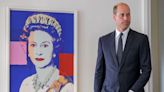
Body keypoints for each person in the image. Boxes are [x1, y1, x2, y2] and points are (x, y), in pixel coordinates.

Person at [94, 2, 152, 92]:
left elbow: (146, 70)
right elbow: (99, 71)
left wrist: (133, 90)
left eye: (128, 15)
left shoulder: (141, 39)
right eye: (122, 15)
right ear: (114, 17)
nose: (126, 18)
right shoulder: (103, 41)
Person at [19, 13, 73, 92]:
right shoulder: (26, 84)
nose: (38, 52)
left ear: (55, 48)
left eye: (44, 45)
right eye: (33, 45)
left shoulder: (67, 87)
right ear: (27, 50)